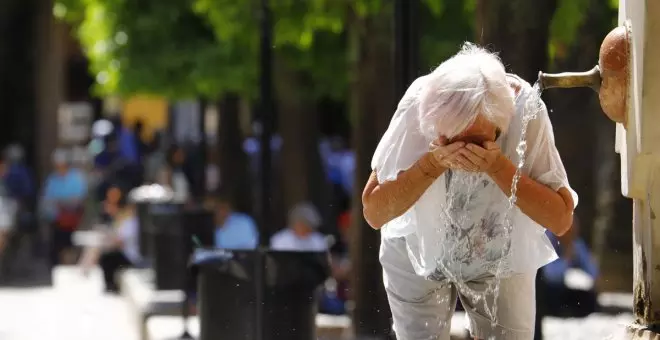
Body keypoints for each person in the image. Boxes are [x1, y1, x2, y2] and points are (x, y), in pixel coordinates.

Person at [362, 43, 577, 340]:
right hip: (417, 247)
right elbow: (374, 211)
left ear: (500, 127)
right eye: (451, 141)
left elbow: (560, 219)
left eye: (475, 142)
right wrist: (431, 164)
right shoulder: (419, 103)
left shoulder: (525, 109)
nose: (462, 154)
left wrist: (498, 167)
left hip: (500, 248)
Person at [542, 217, 599, 317]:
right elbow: (549, 274)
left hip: (569, 289)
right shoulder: (548, 241)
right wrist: (566, 260)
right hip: (551, 290)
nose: (571, 235)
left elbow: (593, 273)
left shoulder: (576, 244)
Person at [40, 149, 87, 265]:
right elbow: (47, 200)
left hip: (74, 219)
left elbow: (79, 200)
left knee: (69, 242)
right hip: (56, 220)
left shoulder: (77, 178)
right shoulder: (52, 180)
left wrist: (62, 203)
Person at [97, 196, 141, 293]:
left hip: (131, 256)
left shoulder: (132, 222)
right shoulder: (128, 221)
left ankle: (111, 285)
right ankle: (111, 284)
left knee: (107, 258)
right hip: (127, 253)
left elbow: (119, 242)